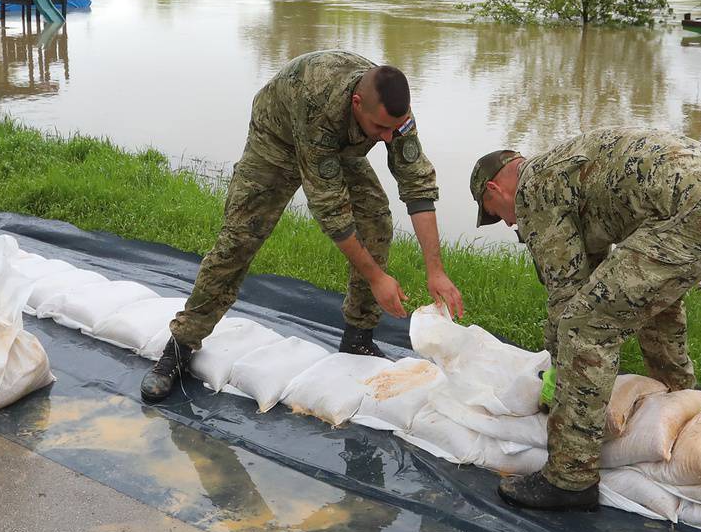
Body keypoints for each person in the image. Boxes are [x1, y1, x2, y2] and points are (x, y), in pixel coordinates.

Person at [141, 50, 464, 403]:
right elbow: (331, 212)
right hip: (276, 140)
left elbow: (416, 184)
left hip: (337, 146)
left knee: (374, 219)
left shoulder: (393, 114)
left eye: (393, 129)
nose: (387, 138)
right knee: (238, 240)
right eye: (380, 129)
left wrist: (436, 270)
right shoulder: (316, 103)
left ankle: (358, 338)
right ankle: (180, 347)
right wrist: (376, 278)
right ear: (357, 103)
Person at [470, 128, 701, 511]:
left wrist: (559, 378)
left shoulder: (533, 194)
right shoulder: (559, 167)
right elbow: (604, 269)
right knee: (653, 301)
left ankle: (570, 479)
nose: (507, 224)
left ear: (494, 190)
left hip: (695, 212)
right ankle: (676, 397)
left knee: (584, 327)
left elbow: (566, 296)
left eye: (495, 215)